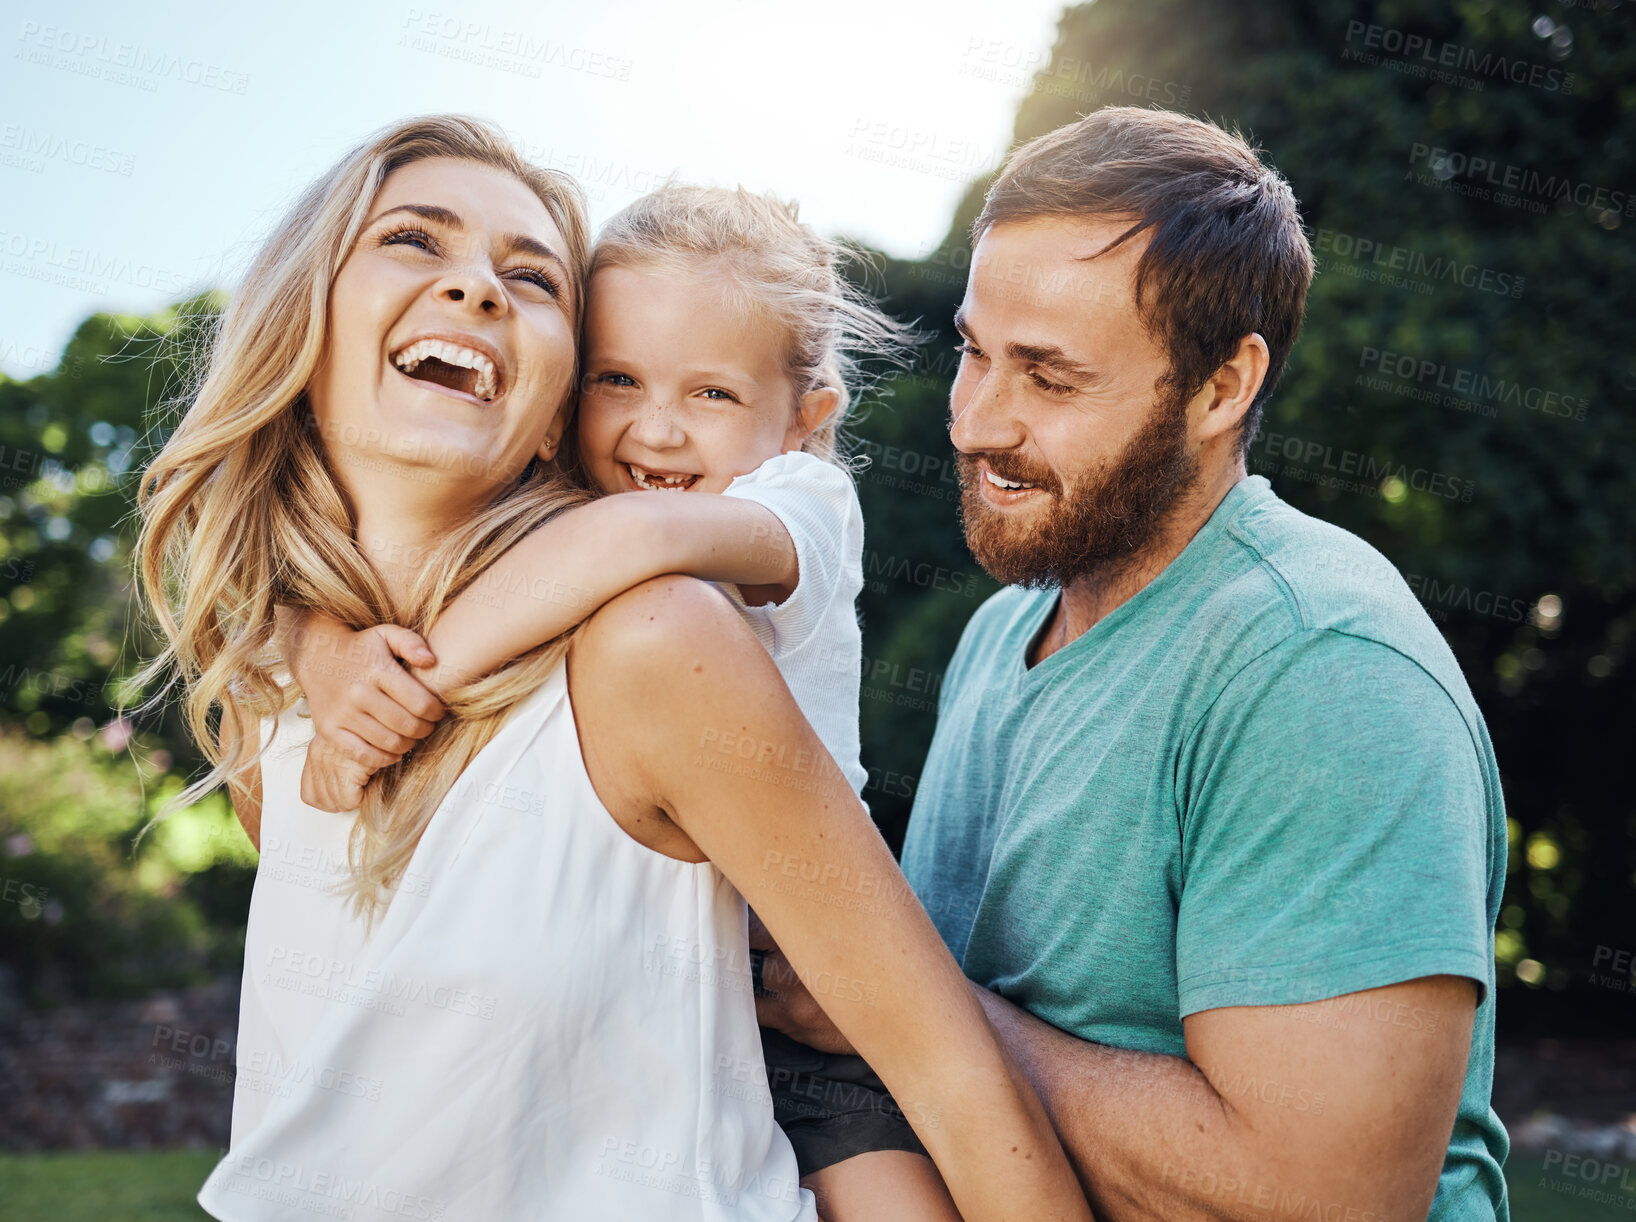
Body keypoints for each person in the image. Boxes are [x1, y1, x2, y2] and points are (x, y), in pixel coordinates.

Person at [134, 115, 1090, 1222]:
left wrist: (401, 685)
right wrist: (320, 646)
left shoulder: (660, 634)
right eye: (414, 240)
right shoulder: (279, 704)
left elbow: (951, 1075)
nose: (479, 289)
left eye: (530, 275)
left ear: (542, 411)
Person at [754, 106, 1512, 1222]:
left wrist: (897, 998)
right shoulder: (1001, 630)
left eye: (1050, 379)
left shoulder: (1320, 671)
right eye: (974, 351)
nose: (974, 422)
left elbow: (1326, 1199)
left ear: (1220, 387)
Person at [289, 182, 959, 1222]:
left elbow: (631, 542)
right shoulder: (553, 520)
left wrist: (401, 697)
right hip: (649, 1009)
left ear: (805, 418)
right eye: (617, 380)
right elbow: (345, 585)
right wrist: (324, 649)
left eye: (712, 395)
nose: (657, 431)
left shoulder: (796, 500)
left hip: (811, 1003)